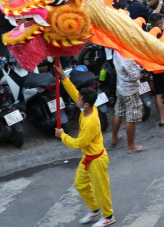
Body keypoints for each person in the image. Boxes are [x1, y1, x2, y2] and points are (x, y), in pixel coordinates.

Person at [54, 65, 114, 226]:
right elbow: (74, 93)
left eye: (80, 99)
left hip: (97, 160)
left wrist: (62, 135)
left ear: (86, 104)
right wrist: (63, 76)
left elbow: (79, 143)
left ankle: (108, 216)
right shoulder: (87, 109)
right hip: (88, 157)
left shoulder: (89, 122)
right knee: (80, 184)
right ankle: (95, 209)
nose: (77, 100)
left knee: (101, 189)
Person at [110, 50, 147, 153]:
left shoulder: (116, 50)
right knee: (131, 118)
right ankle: (131, 146)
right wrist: (139, 65)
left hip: (121, 88)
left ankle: (114, 138)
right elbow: (134, 76)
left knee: (119, 112)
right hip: (130, 91)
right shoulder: (126, 56)